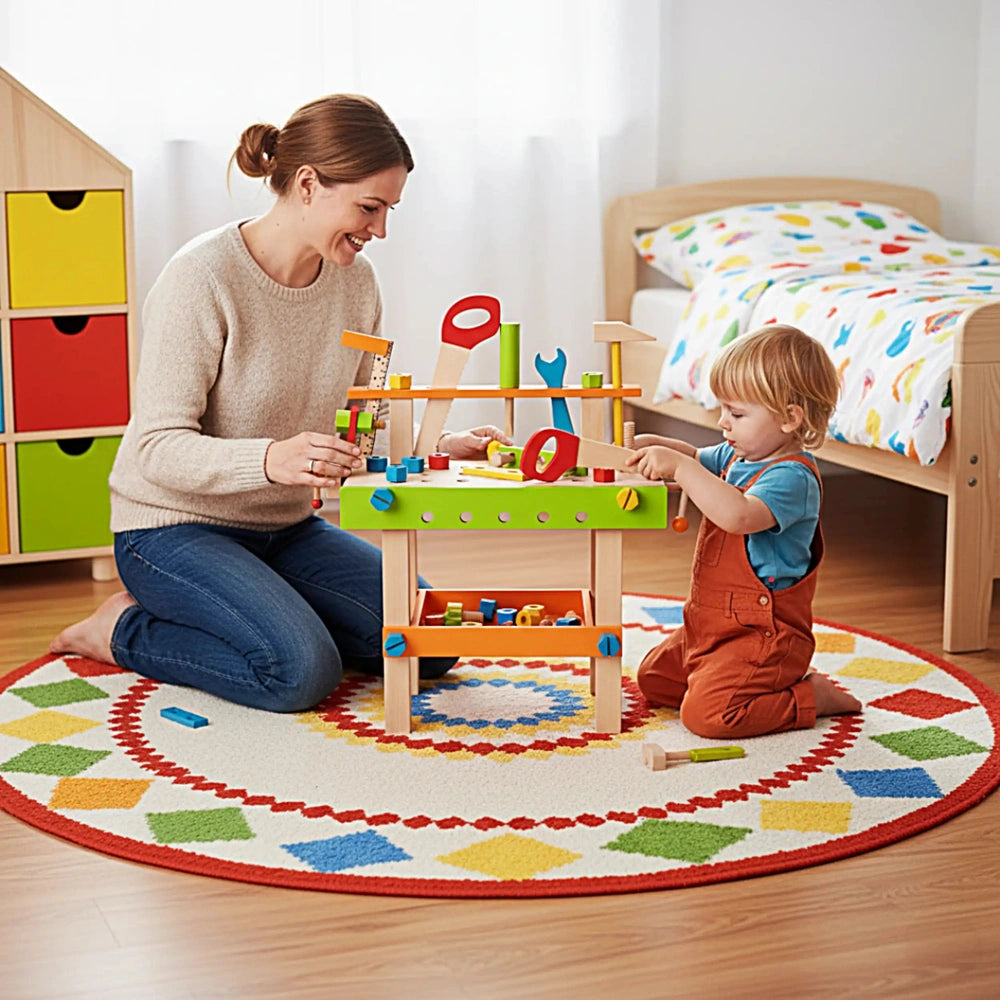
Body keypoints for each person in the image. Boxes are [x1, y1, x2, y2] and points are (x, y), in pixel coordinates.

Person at [50, 94, 510, 712]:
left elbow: (356, 430)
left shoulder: (357, 284)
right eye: (370, 208)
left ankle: (270, 610)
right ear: (308, 183)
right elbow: (155, 449)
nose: (380, 231)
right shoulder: (202, 278)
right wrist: (271, 461)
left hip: (285, 527)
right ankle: (119, 630)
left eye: (389, 210)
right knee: (300, 672)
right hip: (171, 527)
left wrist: (437, 449)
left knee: (431, 641)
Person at [625, 324, 862, 739]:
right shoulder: (738, 455)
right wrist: (653, 446)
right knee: (655, 681)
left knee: (707, 718)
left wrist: (680, 468)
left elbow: (737, 515)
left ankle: (810, 697)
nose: (723, 423)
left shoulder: (791, 478)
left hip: (762, 634)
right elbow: (696, 455)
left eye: (736, 414)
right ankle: (747, 679)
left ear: (790, 418)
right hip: (710, 626)